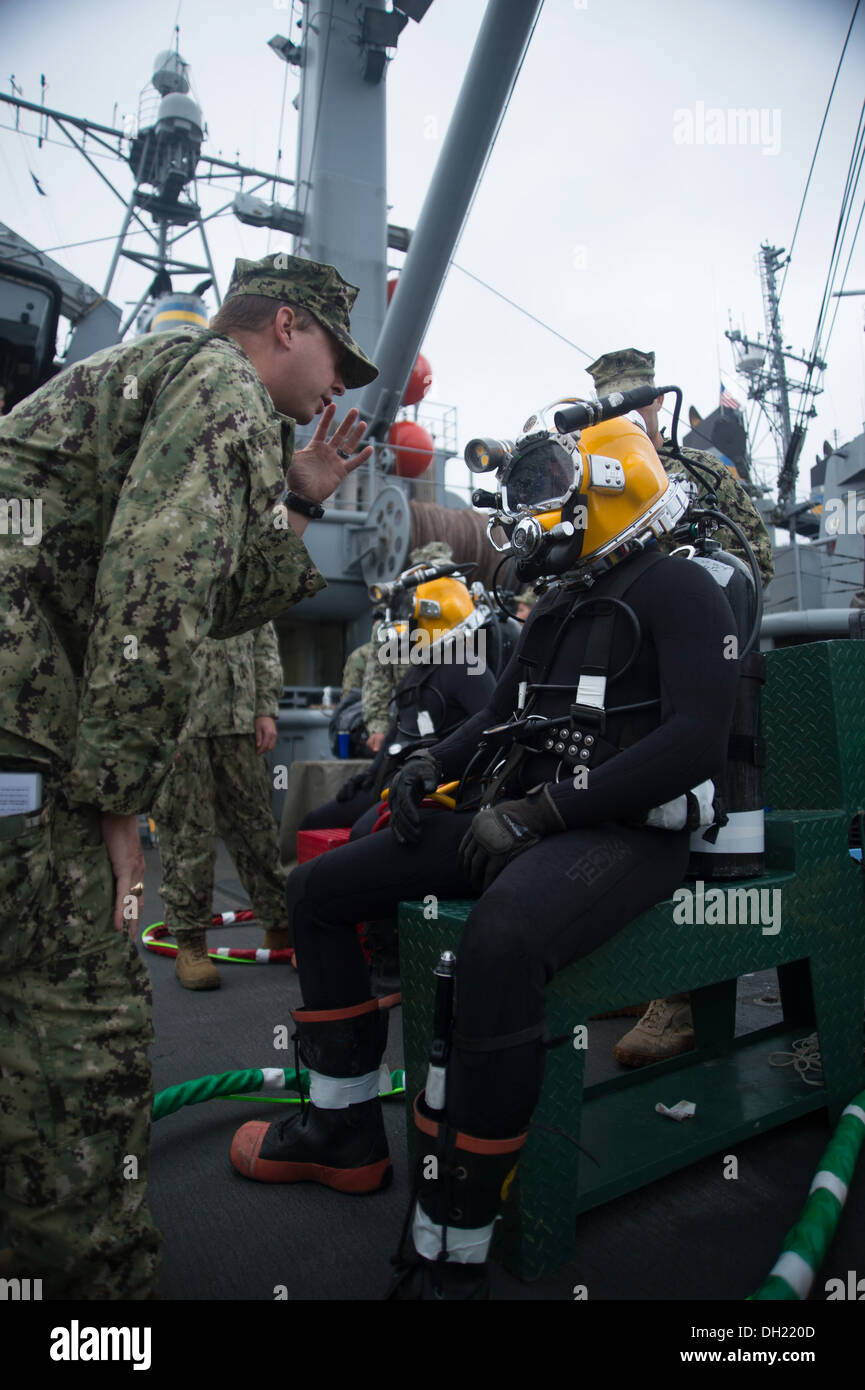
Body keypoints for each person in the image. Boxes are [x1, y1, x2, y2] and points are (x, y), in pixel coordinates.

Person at [229, 399, 740, 1298]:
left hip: (622, 834)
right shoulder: (559, 607)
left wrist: (545, 814)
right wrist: (429, 764)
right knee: (317, 889)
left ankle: (453, 1251)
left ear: (608, 494)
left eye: (550, 491)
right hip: (522, 817)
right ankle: (341, 1130)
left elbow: (695, 739)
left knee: (498, 946)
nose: (533, 514)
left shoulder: (681, 587)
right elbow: (501, 717)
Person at [0, 250, 377, 1298]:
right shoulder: (216, 377)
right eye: (337, 358)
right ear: (287, 326)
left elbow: (211, 586)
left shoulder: (166, 384)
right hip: (23, 740)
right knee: (80, 1031)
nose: (339, 389)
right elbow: (158, 581)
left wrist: (296, 499)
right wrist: (121, 794)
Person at [586, 348, 774, 1065]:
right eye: (604, 408)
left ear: (656, 408)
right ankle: (639, 969)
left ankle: (683, 996)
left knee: (698, 819)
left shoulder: (704, 475)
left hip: (695, 677)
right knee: (618, 815)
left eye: (629, 405)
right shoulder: (589, 479)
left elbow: (749, 561)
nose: (618, 419)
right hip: (618, 678)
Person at [153, 621, 294, 990]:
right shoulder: (165, 570)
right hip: (181, 726)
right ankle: (191, 943)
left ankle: (279, 925)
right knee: (188, 835)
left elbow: (264, 646)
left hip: (239, 722)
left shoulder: (242, 570)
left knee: (257, 828)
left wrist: (266, 709)